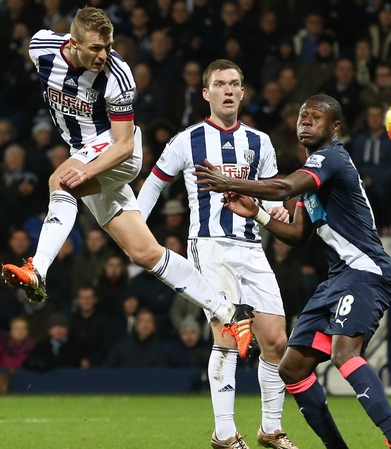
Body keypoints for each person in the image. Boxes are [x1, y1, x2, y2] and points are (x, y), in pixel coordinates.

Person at [0, 7, 252, 355]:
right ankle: (230, 312)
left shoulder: (118, 74)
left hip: (117, 155)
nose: (103, 55)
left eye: (108, 46)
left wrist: (87, 170)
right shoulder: (41, 47)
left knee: (60, 181)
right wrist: (85, 167)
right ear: (73, 43)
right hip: (85, 155)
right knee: (144, 253)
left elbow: (124, 145)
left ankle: (37, 269)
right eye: (95, 48)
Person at [194, 94, 391, 449]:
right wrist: (258, 215)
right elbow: (298, 235)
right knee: (291, 368)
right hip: (338, 277)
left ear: (336, 128)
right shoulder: (314, 172)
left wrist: (231, 183)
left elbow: (283, 188)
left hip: (366, 270)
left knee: (345, 353)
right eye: (302, 116)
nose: (306, 122)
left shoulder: (331, 159)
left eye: (316, 117)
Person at [137, 59, 296, 449]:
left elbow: (271, 197)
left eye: (235, 84)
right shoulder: (187, 140)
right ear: (206, 93)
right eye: (220, 84)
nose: (228, 90)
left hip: (252, 247)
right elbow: (156, 183)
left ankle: (270, 429)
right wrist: (135, 228)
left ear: (243, 92)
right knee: (228, 333)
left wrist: (277, 212)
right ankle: (224, 433)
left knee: (275, 340)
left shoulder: (260, 143)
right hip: (209, 246)